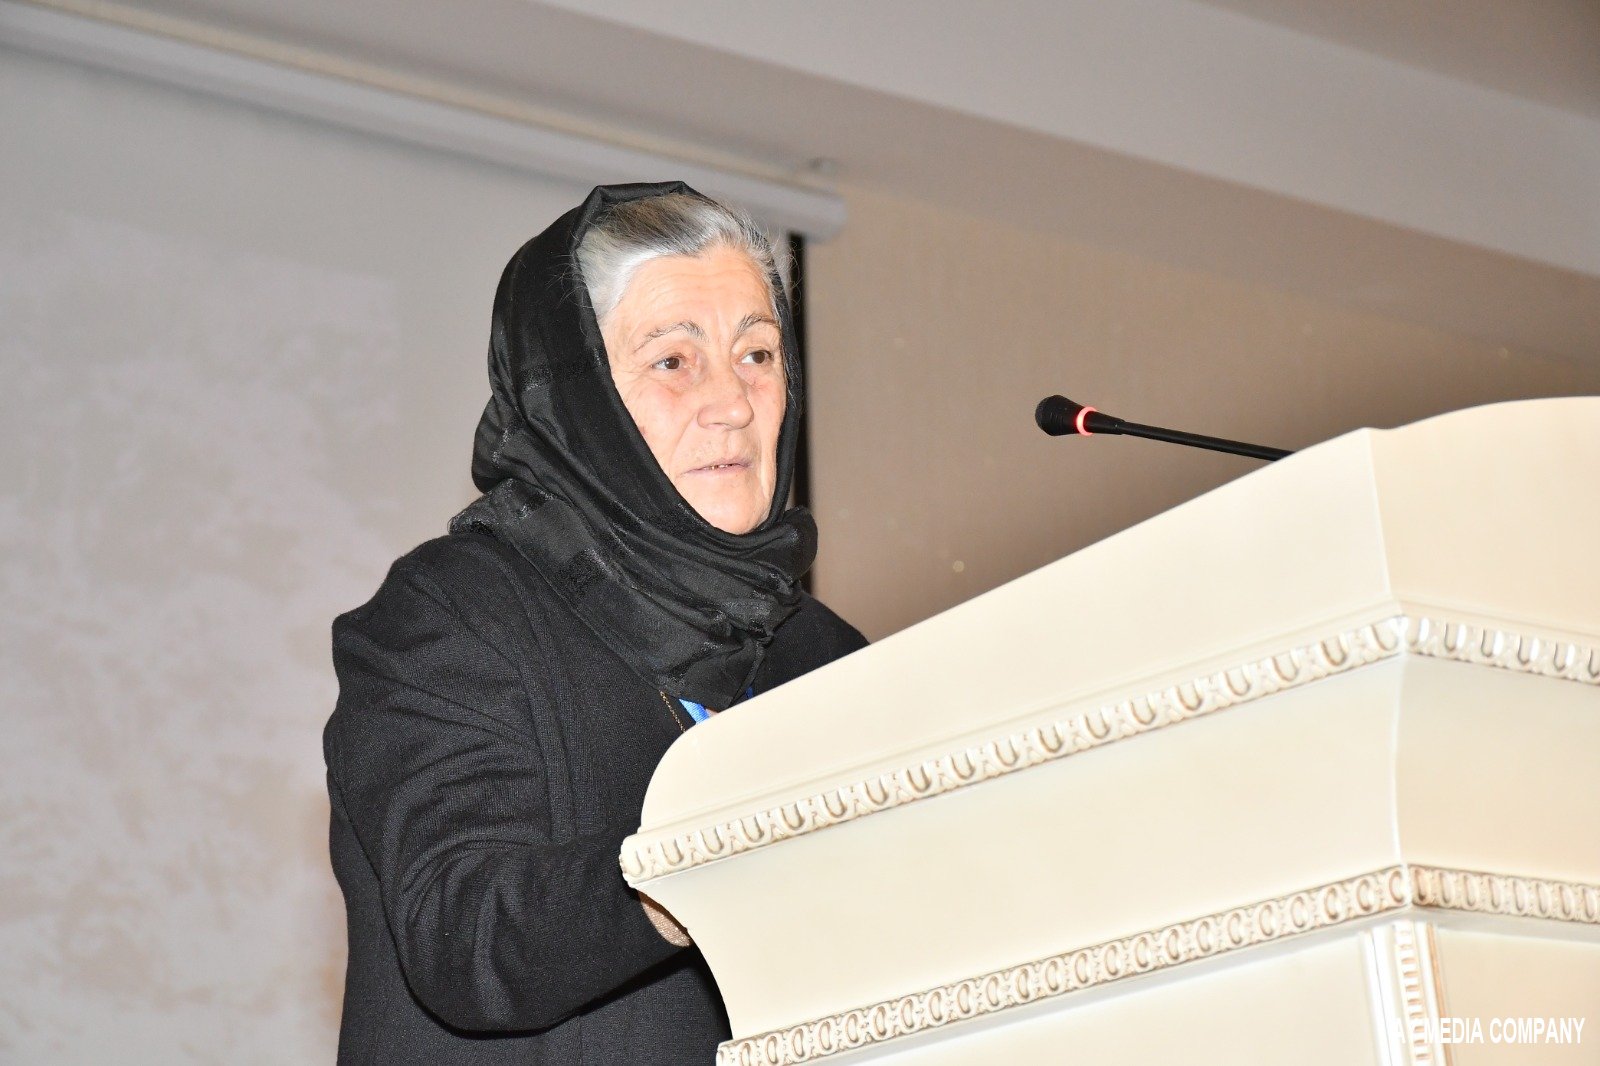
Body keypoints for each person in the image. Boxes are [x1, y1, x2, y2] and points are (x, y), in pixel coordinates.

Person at [322, 181, 867, 1065]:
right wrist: (712, 849)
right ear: (573, 400)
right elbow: (469, 937)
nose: (735, 402)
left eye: (758, 353)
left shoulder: (827, 655)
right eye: (674, 361)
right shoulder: (453, 613)